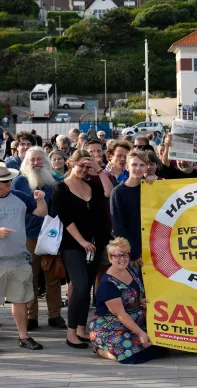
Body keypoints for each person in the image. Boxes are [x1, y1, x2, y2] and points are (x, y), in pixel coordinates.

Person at [52, 150, 113, 348]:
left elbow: (109, 192)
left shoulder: (92, 185)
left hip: (95, 244)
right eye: (82, 166)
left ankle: (81, 328)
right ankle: (71, 333)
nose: (85, 170)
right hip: (73, 245)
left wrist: (99, 170)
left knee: (86, 288)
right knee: (78, 286)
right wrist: (81, 241)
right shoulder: (60, 188)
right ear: (71, 163)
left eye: (88, 167)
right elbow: (66, 219)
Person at [11, 147, 66, 331]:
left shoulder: (55, 182)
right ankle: (31, 316)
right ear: (26, 162)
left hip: (51, 237)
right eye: (32, 159)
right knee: (30, 279)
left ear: (46, 162)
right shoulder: (18, 182)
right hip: (27, 236)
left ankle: (55, 315)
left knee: (53, 278)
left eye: (39, 159)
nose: (36, 162)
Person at [90, 237, 168, 363]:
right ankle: (101, 349)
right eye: (118, 256)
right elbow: (120, 314)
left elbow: (133, 296)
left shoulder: (130, 270)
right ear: (110, 258)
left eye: (125, 255)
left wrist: (140, 301)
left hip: (134, 322)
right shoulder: (108, 283)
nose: (122, 259)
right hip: (112, 327)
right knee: (133, 357)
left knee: (162, 346)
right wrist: (141, 333)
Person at [0, 162, 48, 350]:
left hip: (19, 259)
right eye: (4, 182)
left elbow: (41, 212)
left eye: (9, 181)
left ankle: (24, 336)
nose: (8, 184)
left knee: (20, 299)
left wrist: (41, 199)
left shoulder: (20, 197)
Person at [110, 150, 151, 275]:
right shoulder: (118, 192)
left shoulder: (150, 188)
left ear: (147, 167)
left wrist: (156, 184)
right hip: (132, 254)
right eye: (134, 164)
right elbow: (119, 227)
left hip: (152, 250)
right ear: (127, 166)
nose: (138, 168)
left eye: (142, 165)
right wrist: (133, 254)